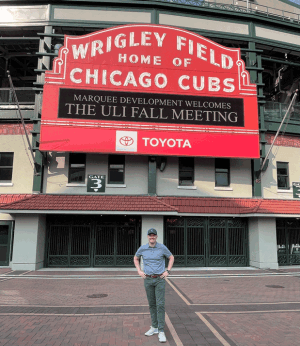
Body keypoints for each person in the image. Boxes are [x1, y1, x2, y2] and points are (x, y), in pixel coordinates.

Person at [133, 228, 174, 343]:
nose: (152, 237)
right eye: (150, 235)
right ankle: (154, 327)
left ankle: (161, 330)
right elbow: (136, 258)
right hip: (148, 279)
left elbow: (171, 257)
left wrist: (168, 271)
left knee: (160, 304)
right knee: (152, 304)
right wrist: (139, 271)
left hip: (160, 279)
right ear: (148, 237)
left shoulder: (162, 248)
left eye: (154, 235)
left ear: (156, 237)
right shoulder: (143, 248)